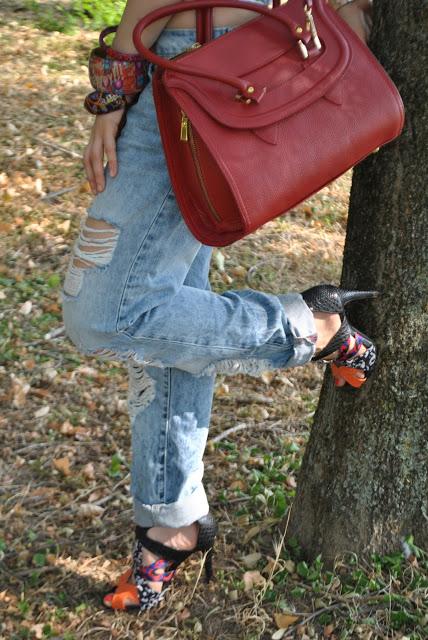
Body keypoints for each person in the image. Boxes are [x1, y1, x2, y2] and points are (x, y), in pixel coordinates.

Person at [62, 0, 374, 612]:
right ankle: (170, 518)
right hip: (160, 65)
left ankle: (307, 326)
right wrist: (119, 84)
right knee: (169, 316)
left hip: (239, 63)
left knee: (101, 311)